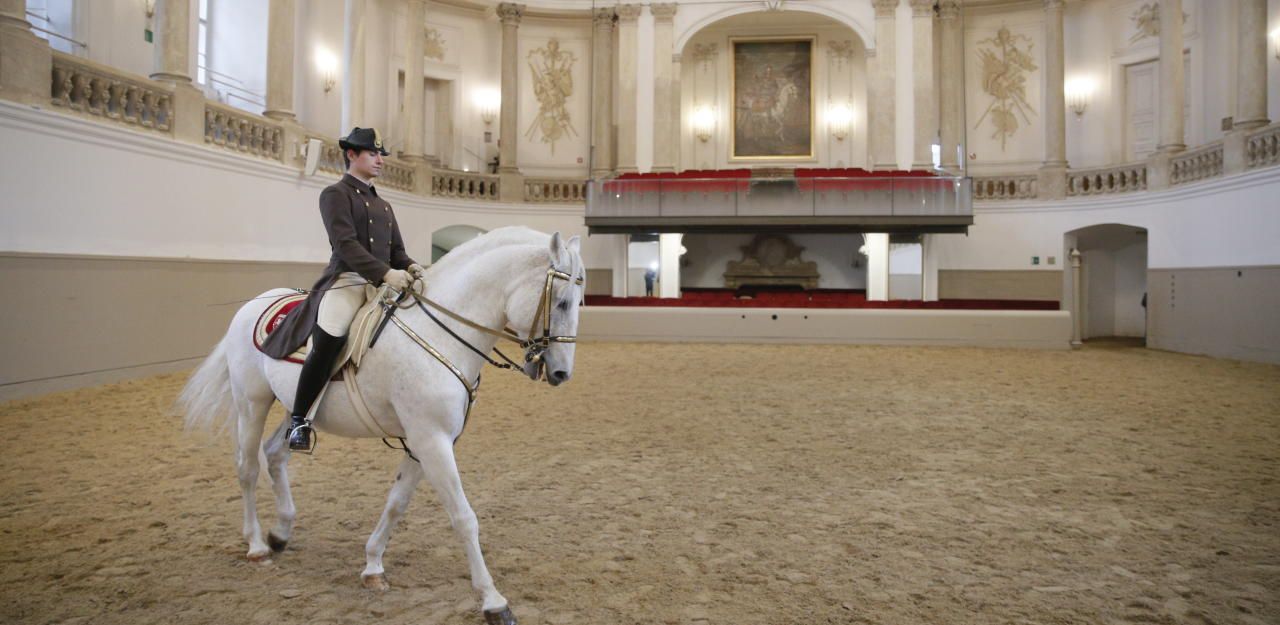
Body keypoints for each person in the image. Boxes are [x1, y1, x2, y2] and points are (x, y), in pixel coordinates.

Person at [259, 127, 423, 451]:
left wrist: (412, 267)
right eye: (373, 154)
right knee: (331, 335)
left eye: (380, 155)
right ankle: (299, 420)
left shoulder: (384, 206)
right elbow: (345, 245)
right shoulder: (335, 194)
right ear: (352, 155)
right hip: (347, 281)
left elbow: (397, 253)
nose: (379, 160)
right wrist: (386, 273)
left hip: (381, 284)